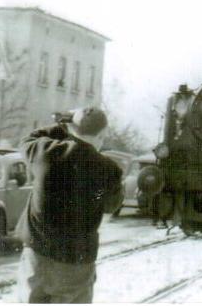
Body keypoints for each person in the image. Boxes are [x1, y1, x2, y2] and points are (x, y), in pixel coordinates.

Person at [16, 107, 123, 303]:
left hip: (36, 257)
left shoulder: (45, 152)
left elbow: (28, 139)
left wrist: (62, 124)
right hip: (76, 264)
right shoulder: (109, 169)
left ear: (73, 128)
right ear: (102, 135)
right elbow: (111, 206)